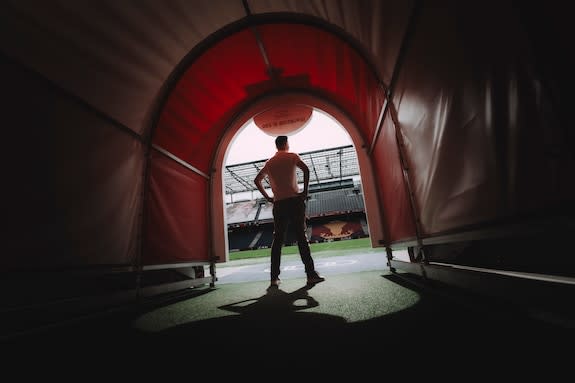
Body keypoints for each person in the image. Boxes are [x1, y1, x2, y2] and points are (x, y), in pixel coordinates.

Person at [254, 135, 325, 287]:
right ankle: (310, 275)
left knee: (278, 240)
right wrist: (305, 191)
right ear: (286, 144)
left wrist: (268, 197)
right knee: (301, 237)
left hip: (279, 203)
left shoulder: (269, 162)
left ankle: (274, 278)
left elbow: (257, 180)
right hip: (294, 201)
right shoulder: (292, 156)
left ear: (276, 146)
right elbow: (306, 170)